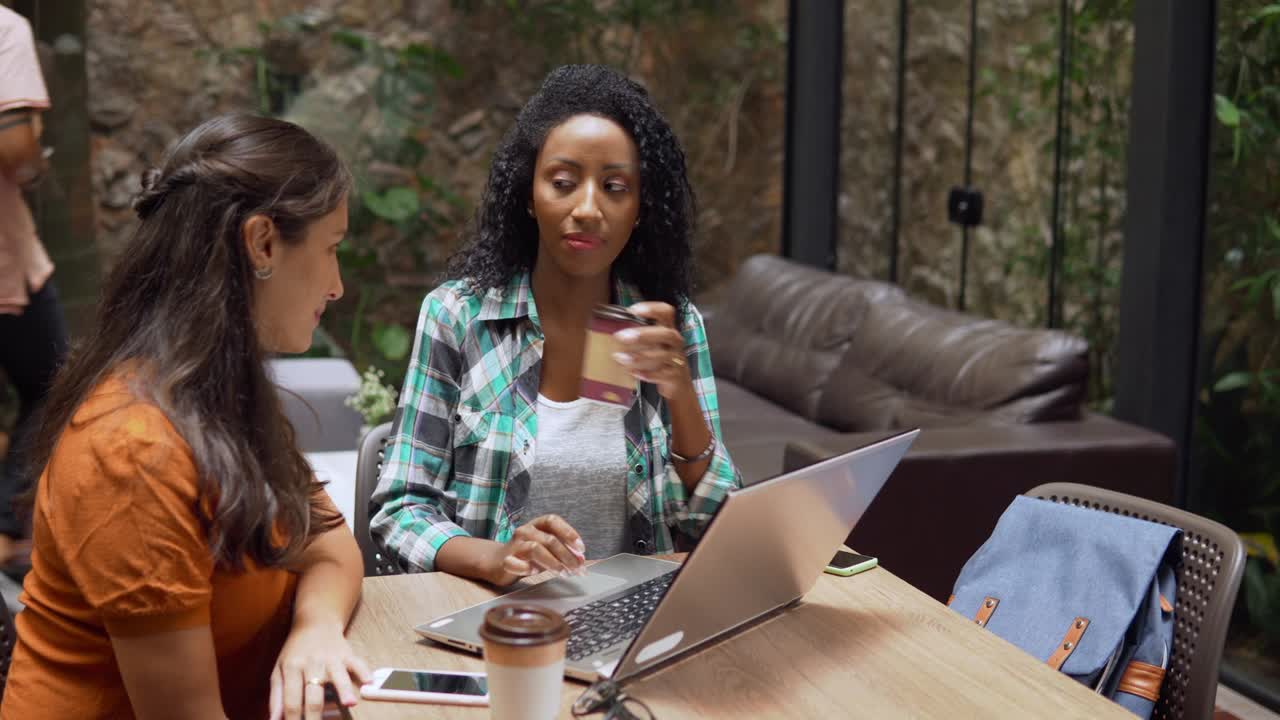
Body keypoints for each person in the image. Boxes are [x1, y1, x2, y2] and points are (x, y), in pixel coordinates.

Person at [1, 114, 370, 720]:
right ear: (263, 243)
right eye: (331, 250)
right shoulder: (133, 452)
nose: (336, 286)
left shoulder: (216, 393)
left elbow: (330, 544)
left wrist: (316, 629)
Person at [370, 64, 742, 584]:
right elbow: (401, 510)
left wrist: (679, 393)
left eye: (615, 187)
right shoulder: (459, 316)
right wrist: (494, 558)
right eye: (563, 183)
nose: (588, 209)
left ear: (639, 209)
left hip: (634, 623)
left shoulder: (672, 324)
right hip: (497, 621)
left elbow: (718, 525)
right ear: (529, 194)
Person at [0, 4, 68, 568]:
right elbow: (18, 151)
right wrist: (40, 163)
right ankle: (8, 531)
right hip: (4, 258)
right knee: (51, 384)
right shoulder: (4, 28)